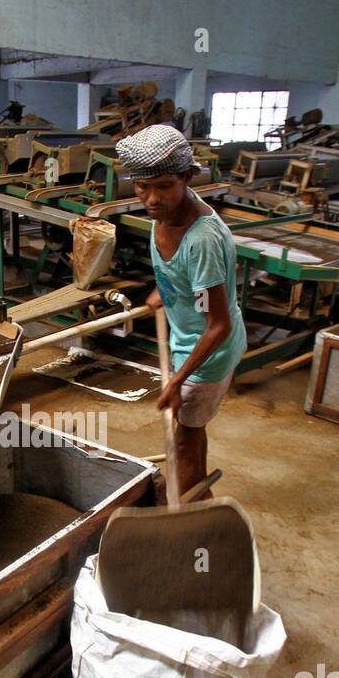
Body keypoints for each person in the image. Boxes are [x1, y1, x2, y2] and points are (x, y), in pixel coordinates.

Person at [116, 124, 247, 497]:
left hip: (209, 353)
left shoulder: (202, 240)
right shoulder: (164, 216)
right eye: (142, 186)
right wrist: (165, 289)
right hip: (187, 339)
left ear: (187, 177)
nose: (152, 198)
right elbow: (181, 274)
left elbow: (218, 324)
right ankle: (199, 490)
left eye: (164, 186)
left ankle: (190, 515)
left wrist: (177, 379)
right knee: (191, 429)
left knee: (183, 441)